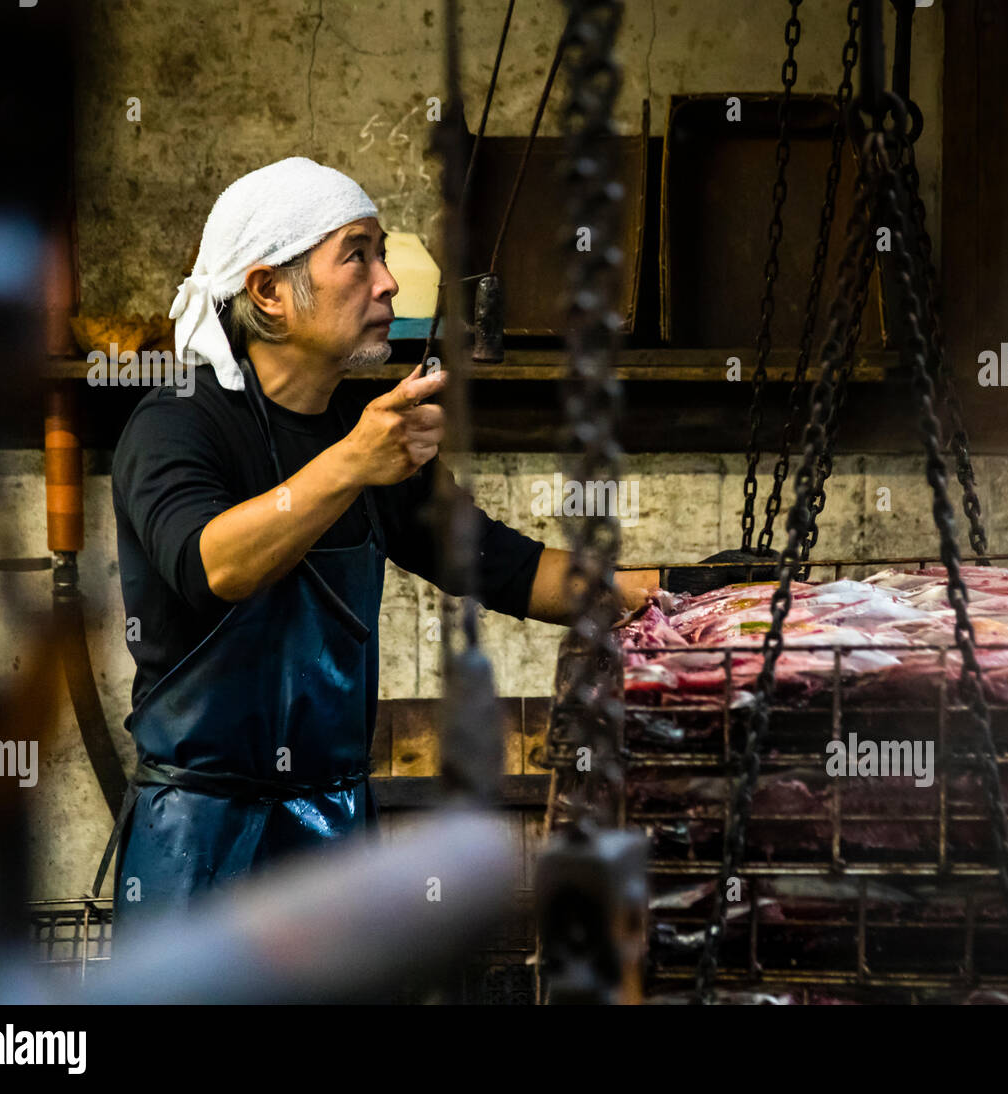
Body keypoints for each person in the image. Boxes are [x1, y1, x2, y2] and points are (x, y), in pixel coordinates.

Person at [105, 157, 657, 929]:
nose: (388, 282)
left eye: (383, 253)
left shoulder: (363, 431)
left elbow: (506, 567)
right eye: (357, 254)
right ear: (268, 291)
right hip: (199, 842)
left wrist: (667, 599)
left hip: (331, 832)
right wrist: (354, 464)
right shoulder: (178, 424)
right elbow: (212, 565)